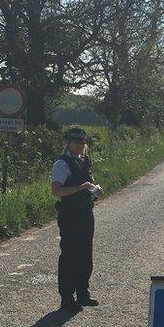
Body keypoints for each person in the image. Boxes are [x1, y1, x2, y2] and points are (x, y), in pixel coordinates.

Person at [50, 127, 103, 312]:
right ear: (68, 143)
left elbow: (88, 184)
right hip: (70, 215)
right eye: (77, 142)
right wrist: (80, 189)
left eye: (83, 143)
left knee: (85, 254)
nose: (81, 146)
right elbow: (57, 190)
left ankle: (82, 292)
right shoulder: (61, 164)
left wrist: (94, 191)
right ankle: (67, 298)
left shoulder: (85, 161)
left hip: (86, 213)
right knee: (70, 256)